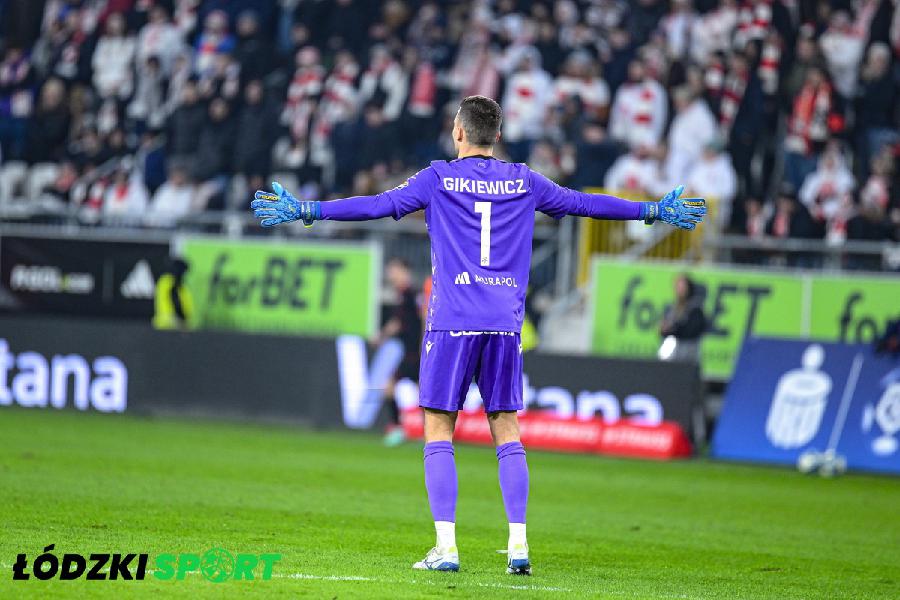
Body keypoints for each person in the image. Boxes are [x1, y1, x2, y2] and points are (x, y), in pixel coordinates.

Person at [250, 96, 706, 575]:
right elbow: (583, 203)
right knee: (506, 428)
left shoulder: (437, 178)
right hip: (505, 322)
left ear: (458, 132)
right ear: (498, 136)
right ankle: (518, 544)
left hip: (453, 320)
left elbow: (378, 205)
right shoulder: (524, 180)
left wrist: (308, 210)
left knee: (438, 427)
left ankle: (446, 548)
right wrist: (652, 210)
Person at [373, 257, 423, 447]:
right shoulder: (402, 295)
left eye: (393, 270)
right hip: (408, 354)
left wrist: (381, 335)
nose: (390, 274)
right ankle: (398, 429)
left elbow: (424, 318)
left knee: (423, 394)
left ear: (404, 271)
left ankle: (428, 434)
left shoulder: (412, 294)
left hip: (417, 354)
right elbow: (399, 323)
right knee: (390, 388)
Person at [658, 274, 707, 362]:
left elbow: (691, 331)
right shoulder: (671, 308)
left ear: (688, 288)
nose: (680, 290)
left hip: (688, 353)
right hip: (671, 353)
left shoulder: (695, 309)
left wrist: (673, 328)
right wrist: (664, 329)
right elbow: (664, 330)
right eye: (678, 286)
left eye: (682, 286)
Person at [153, 258, 194, 330]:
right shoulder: (168, 282)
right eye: (184, 272)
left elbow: (184, 305)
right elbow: (172, 301)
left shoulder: (180, 285)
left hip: (174, 322)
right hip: (169, 323)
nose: (184, 275)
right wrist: (179, 319)